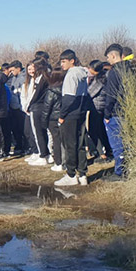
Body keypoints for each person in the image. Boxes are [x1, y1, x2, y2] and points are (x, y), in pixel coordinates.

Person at [55, 49, 91, 187]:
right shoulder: (83, 73)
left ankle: (71, 175)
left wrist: (62, 116)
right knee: (80, 144)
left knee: (70, 145)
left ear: (72, 61)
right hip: (81, 112)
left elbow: (69, 98)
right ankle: (82, 174)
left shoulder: (71, 75)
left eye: (64, 61)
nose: (62, 64)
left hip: (70, 114)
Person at [103, 43, 133, 181]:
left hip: (117, 113)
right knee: (128, 143)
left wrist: (107, 114)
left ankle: (119, 172)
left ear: (113, 56)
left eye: (109, 57)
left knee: (117, 144)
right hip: (130, 112)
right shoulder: (132, 69)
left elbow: (111, 95)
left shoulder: (114, 72)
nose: (108, 60)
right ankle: (129, 168)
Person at [25, 59, 51, 166]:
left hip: (38, 107)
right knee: (41, 132)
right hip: (40, 106)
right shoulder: (43, 77)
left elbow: (36, 94)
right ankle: (46, 154)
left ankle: (43, 155)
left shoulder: (42, 78)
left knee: (38, 132)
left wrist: (29, 105)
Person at [86, 61, 112, 162]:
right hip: (103, 107)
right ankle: (107, 151)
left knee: (94, 130)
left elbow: (90, 93)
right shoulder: (105, 76)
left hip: (97, 107)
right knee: (101, 130)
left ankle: (102, 154)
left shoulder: (99, 80)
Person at [41, 69, 66, 172]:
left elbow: (47, 107)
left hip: (53, 119)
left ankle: (59, 162)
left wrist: (43, 122)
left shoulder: (51, 90)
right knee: (64, 141)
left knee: (56, 140)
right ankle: (65, 162)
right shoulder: (66, 88)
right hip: (64, 117)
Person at [6, 60, 26, 157]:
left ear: (18, 69)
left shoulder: (23, 78)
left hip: (20, 108)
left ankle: (25, 147)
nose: (11, 72)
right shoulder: (14, 77)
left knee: (22, 129)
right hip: (13, 107)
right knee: (15, 129)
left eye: (13, 70)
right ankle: (19, 146)